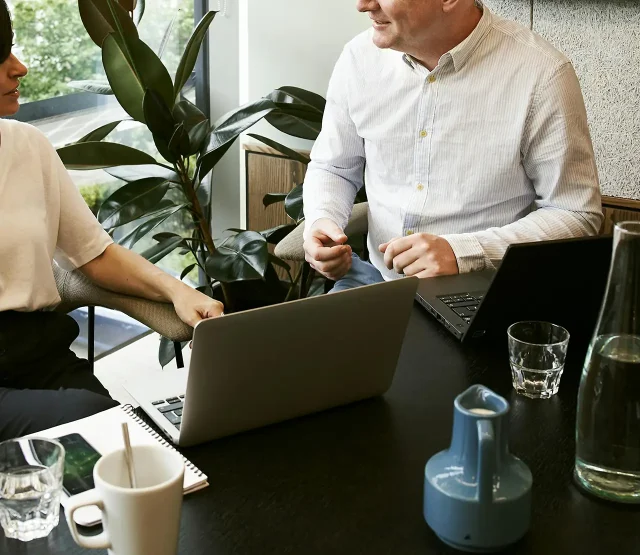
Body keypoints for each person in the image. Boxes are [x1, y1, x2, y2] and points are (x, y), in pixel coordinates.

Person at [0, 0, 223, 441]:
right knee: (92, 421)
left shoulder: (28, 146)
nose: (19, 67)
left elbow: (92, 254)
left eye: (11, 49)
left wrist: (176, 290)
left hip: (41, 355)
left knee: (133, 443)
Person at [303, 0, 603, 291]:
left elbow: (575, 214)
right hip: (375, 279)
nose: (363, 4)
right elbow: (334, 166)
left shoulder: (542, 73)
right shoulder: (358, 57)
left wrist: (463, 252)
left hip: (484, 290)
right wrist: (322, 219)